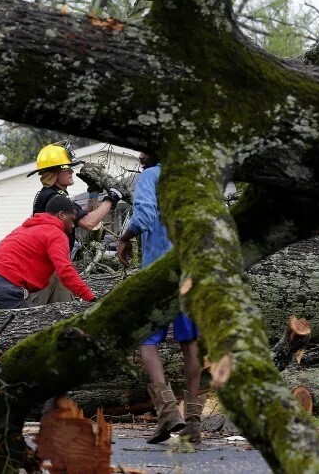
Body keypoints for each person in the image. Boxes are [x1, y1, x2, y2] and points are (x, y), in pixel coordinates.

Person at [116, 151, 202, 445]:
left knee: (146, 341)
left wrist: (124, 237)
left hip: (160, 272)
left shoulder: (150, 177)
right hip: (191, 269)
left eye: (142, 148)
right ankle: (193, 423)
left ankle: (167, 412)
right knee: (189, 343)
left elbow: (144, 216)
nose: (139, 155)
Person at [26, 140, 122, 304]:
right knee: (33, 315)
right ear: (54, 172)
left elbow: (82, 213)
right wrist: (111, 199)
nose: (71, 170)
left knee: (65, 312)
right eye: (66, 167)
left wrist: (93, 192)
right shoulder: (54, 197)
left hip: (52, 266)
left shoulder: (54, 194)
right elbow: (89, 223)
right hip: (46, 268)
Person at [0, 195, 96, 308]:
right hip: (6, 286)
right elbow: (65, 271)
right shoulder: (56, 234)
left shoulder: (25, 228)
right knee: (29, 326)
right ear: (61, 215)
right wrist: (91, 299)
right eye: (72, 220)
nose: (72, 226)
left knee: (5, 326)